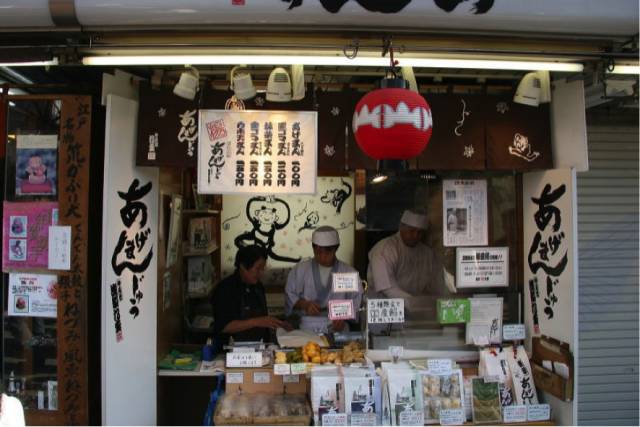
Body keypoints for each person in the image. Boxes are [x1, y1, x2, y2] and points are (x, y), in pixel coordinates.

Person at [367, 209, 447, 314]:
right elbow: (387, 288)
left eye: (420, 232)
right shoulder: (384, 250)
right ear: (401, 228)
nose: (415, 236)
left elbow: (437, 286)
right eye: (411, 231)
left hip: (418, 312)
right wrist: (414, 303)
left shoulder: (428, 254)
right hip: (385, 311)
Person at [285, 226, 362, 332]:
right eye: (318, 252)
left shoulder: (349, 272)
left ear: (336, 249)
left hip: (337, 327)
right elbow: (290, 295)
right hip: (307, 327)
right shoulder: (300, 270)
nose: (322, 257)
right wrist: (304, 304)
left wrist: (343, 318)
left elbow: (357, 301)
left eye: (327, 253)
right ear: (313, 248)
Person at [213, 245, 291, 346]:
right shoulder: (225, 288)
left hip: (260, 346)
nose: (261, 273)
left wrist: (279, 324)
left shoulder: (258, 286)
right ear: (243, 266)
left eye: (263, 269)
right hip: (232, 349)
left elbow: (263, 318)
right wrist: (257, 321)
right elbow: (224, 327)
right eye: (258, 268)